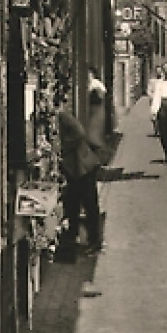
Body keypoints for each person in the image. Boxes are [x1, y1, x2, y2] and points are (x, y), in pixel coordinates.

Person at [57, 88, 103, 255]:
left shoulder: (63, 116)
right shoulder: (59, 116)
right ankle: (74, 237)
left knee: (90, 204)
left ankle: (94, 242)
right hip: (75, 169)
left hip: (83, 167)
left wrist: (63, 147)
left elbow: (80, 132)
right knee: (73, 203)